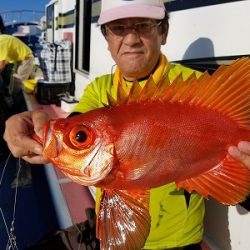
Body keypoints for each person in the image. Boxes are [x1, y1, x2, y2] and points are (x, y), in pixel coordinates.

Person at [3, 0, 250, 249]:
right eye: (118, 28)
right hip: (106, 230)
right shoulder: (100, 90)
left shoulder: (198, 87)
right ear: (107, 39)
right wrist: (28, 127)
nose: (131, 39)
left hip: (178, 243)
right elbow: (74, 123)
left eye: (143, 26)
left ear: (163, 32)